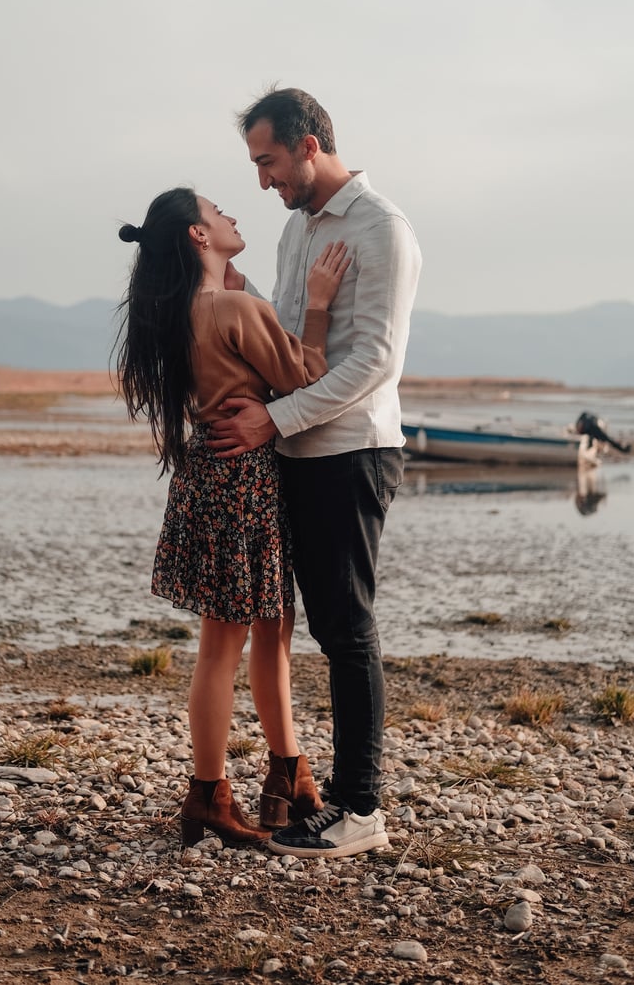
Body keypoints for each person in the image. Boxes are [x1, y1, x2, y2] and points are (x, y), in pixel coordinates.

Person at [209, 87, 422, 859]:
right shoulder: (299, 230)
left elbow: (374, 363)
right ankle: (325, 797)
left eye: (267, 161)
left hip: (351, 452)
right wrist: (245, 301)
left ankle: (361, 810)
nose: (263, 181)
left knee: (346, 627)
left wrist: (274, 419)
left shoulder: (382, 229)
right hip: (298, 451)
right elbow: (302, 343)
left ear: (309, 144)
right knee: (309, 628)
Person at [115, 186, 349, 847]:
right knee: (238, 643)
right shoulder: (232, 307)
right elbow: (305, 374)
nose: (233, 216)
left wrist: (257, 301)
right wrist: (320, 305)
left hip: (212, 472)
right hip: (245, 478)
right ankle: (209, 796)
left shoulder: (187, 309)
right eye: (219, 211)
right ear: (198, 234)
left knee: (265, 631)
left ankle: (290, 777)